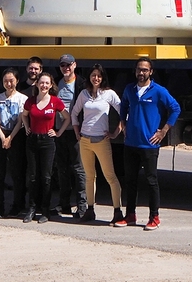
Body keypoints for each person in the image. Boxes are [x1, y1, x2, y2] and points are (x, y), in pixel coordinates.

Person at [116, 57, 180, 230]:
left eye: (145, 70)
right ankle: (130, 215)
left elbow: (175, 108)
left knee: (151, 182)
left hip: (149, 145)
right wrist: (122, 122)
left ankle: (154, 217)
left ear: (151, 72)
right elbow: (123, 106)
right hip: (130, 144)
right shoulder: (129, 89)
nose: (141, 73)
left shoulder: (158, 91)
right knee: (130, 181)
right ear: (135, 71)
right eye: (139, 69)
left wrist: (164, 131)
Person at [71, 64, 123, 224]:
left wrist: (115, 133)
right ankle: (90, 209)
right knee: (89, 177)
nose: (96, 78)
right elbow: (74, 113)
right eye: (93, 75)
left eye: (99, 76)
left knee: (110, 176)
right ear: (89, 77)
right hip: (85, 140)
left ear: (103, 78)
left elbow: (123, 112)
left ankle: (117, 211)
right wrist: (77, 133)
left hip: (102, 140)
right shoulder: (84, 94)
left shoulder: (109, 94)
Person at [21, 72, 70, 224]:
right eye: (41, 83)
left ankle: (45, 210)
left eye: (46, 83)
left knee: (46, 177)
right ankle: (32, 209)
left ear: (51, 85)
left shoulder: (55, 102)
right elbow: (24, 115)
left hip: (48, 142)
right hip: (33, 140)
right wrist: (27, 127)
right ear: (37, 84)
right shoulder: (30, 101)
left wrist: (58, 132)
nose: (43, 85)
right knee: (33, 177)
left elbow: (67, 118)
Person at [0, 68, 28, 218]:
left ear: (16, 81)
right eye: (6, 81)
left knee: (17, 173)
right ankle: (0, 208)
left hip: (16, 136)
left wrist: (10, 138)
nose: (8, 83)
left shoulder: (22, 99)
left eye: (11, 80)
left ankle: (17, 205)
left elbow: (21, 121)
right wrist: (3, 137)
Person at [54, 54, 88, 217]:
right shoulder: (55, 83)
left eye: (69, 65)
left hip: (75, 132)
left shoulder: (81, 84)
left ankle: (82, 205)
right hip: (59, 132)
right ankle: (64, 204)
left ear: (75, 65)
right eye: (63, 65)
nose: (66, 68)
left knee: (78, 169)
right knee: (62, 169)